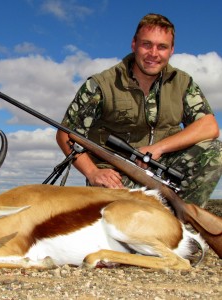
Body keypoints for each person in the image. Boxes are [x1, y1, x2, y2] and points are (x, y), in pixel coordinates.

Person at [56, 13, 222, 208]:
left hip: (162, 169)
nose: (153, 53)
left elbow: (209, 126)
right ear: (134, 44)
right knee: (125, 220)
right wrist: (93, 173)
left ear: (171, 50)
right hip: (115, 174)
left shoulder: (183, 82)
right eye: (147, 44)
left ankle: (185, 225)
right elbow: (65, 135)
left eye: (162, 47)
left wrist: (158, 148)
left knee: (215, 151)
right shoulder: (100, 85)